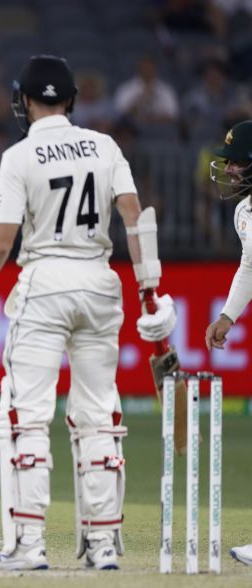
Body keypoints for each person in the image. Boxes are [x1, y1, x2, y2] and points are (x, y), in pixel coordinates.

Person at [0, 55, 177, 571]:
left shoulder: (20, 156)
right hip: (99, 284)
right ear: (71, 100)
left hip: (44, 284)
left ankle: (27, 545)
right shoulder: (105, 146)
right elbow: (135, 217)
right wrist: (150, 291)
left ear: (24, 100)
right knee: (99, 416)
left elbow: (1, 243)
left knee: (25, 415)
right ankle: (104, 545)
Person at [204, 119, 252, 567]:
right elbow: (249, 266)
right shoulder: (245, 213)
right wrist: (227, 315)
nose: (231, 170)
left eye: (238, 162)